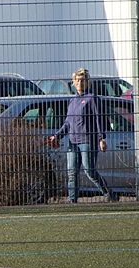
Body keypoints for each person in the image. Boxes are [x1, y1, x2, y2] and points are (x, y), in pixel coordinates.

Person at [48, 68, 117, 203]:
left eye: (83, 80)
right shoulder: (72, 101)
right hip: (73, 141)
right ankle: (72, 200)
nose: (80, 83)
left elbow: (99, 119)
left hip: (87, 141)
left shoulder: (92, 99)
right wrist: (57, 136)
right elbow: (67, 123)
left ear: (88, 82)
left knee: (90, 171)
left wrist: (101, 138)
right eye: (78, 80)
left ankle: (109, 193)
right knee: (72, 173)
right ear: (73, 82)